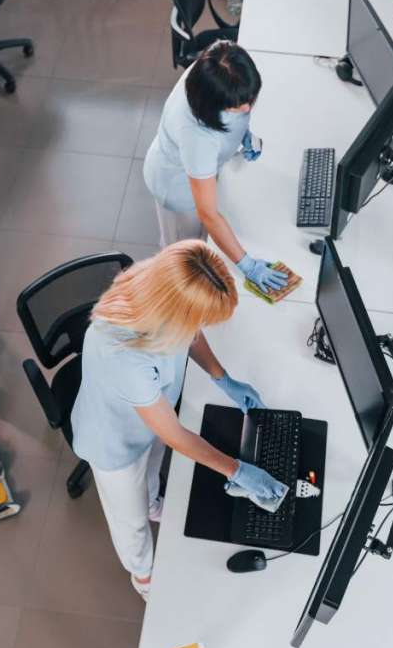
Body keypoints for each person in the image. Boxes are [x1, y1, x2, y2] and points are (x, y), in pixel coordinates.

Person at [70, 241, 289, 600]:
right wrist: (236, 470)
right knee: (131, 520)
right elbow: (174, 435)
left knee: (152, 474)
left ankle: (154, 501)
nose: (199, 328)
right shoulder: (122, 354)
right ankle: (142, 575)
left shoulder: (160, 288)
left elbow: (192, 333)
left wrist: (223, 378)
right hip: (114, 444)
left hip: (151, 414)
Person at [143, 40, 287, 295]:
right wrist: (248, 265)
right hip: (176, 188)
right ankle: (172, 293)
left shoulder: (216, 63)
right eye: (239, 106)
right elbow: (208, 214)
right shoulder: (196, 137)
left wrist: (241, 133)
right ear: (212, 104)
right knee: (182, 251)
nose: (247, 108)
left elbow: (237, 103)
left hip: (199, 165)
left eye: (250, 100)